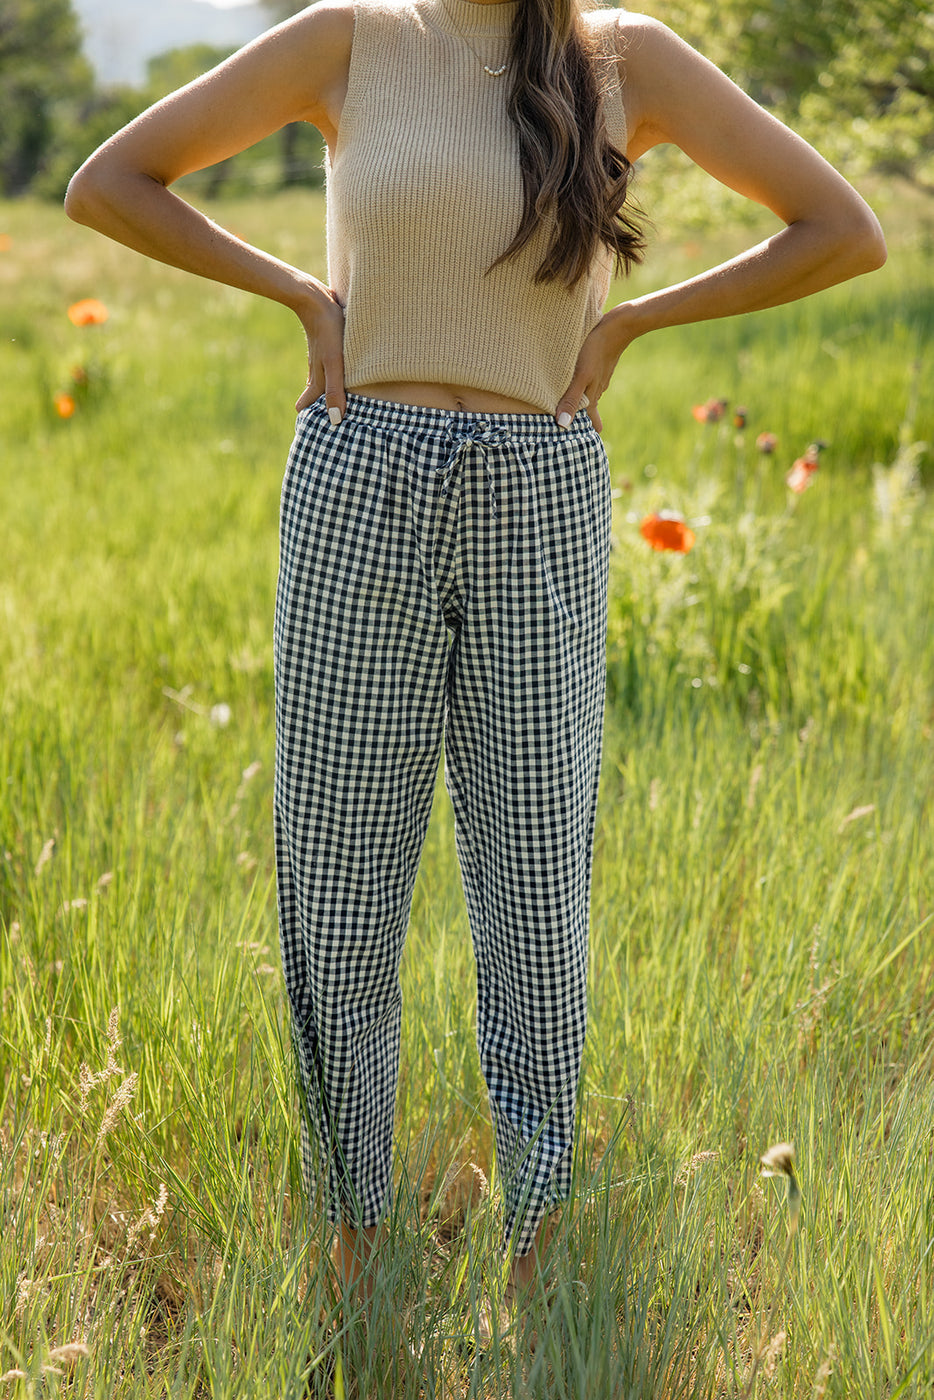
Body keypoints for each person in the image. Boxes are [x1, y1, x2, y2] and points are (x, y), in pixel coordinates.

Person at [65, 0, 885, 1309]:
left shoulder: (625, 59)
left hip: (539, 495)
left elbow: (844, 230)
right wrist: (297, 295)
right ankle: (348, 1244)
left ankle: (537, 1255)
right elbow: (109, 184)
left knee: (535, 902)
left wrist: (620, 328)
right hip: (356, 484)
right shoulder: (345, 40)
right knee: (335, 898)